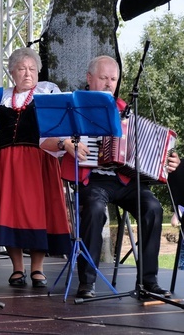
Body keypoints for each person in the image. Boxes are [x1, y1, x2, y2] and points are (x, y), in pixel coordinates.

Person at [41, 55, 180, 298]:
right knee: (94, 209)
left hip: (124, 180)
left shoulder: (125, 111)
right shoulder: (73, 105)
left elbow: (149, 150)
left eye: (113, 79)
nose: (108, 84)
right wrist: (67, 144)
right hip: (91, 179)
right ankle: (87, 282)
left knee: (153, 207)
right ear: (89, 78)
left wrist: (168, 159)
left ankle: (148, 282)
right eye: (103, 77)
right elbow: (45, 141)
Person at [0, 47, 71, 288]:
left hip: (38, 161)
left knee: (37, 213)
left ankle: (37, 269)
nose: (27, 73)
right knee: (9, 212)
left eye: (32, 68)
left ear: (38, 71)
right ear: (12, 72)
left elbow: (59, 126)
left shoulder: (48, 91)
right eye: (21, 69)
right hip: (6, 162)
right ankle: (17, 268)